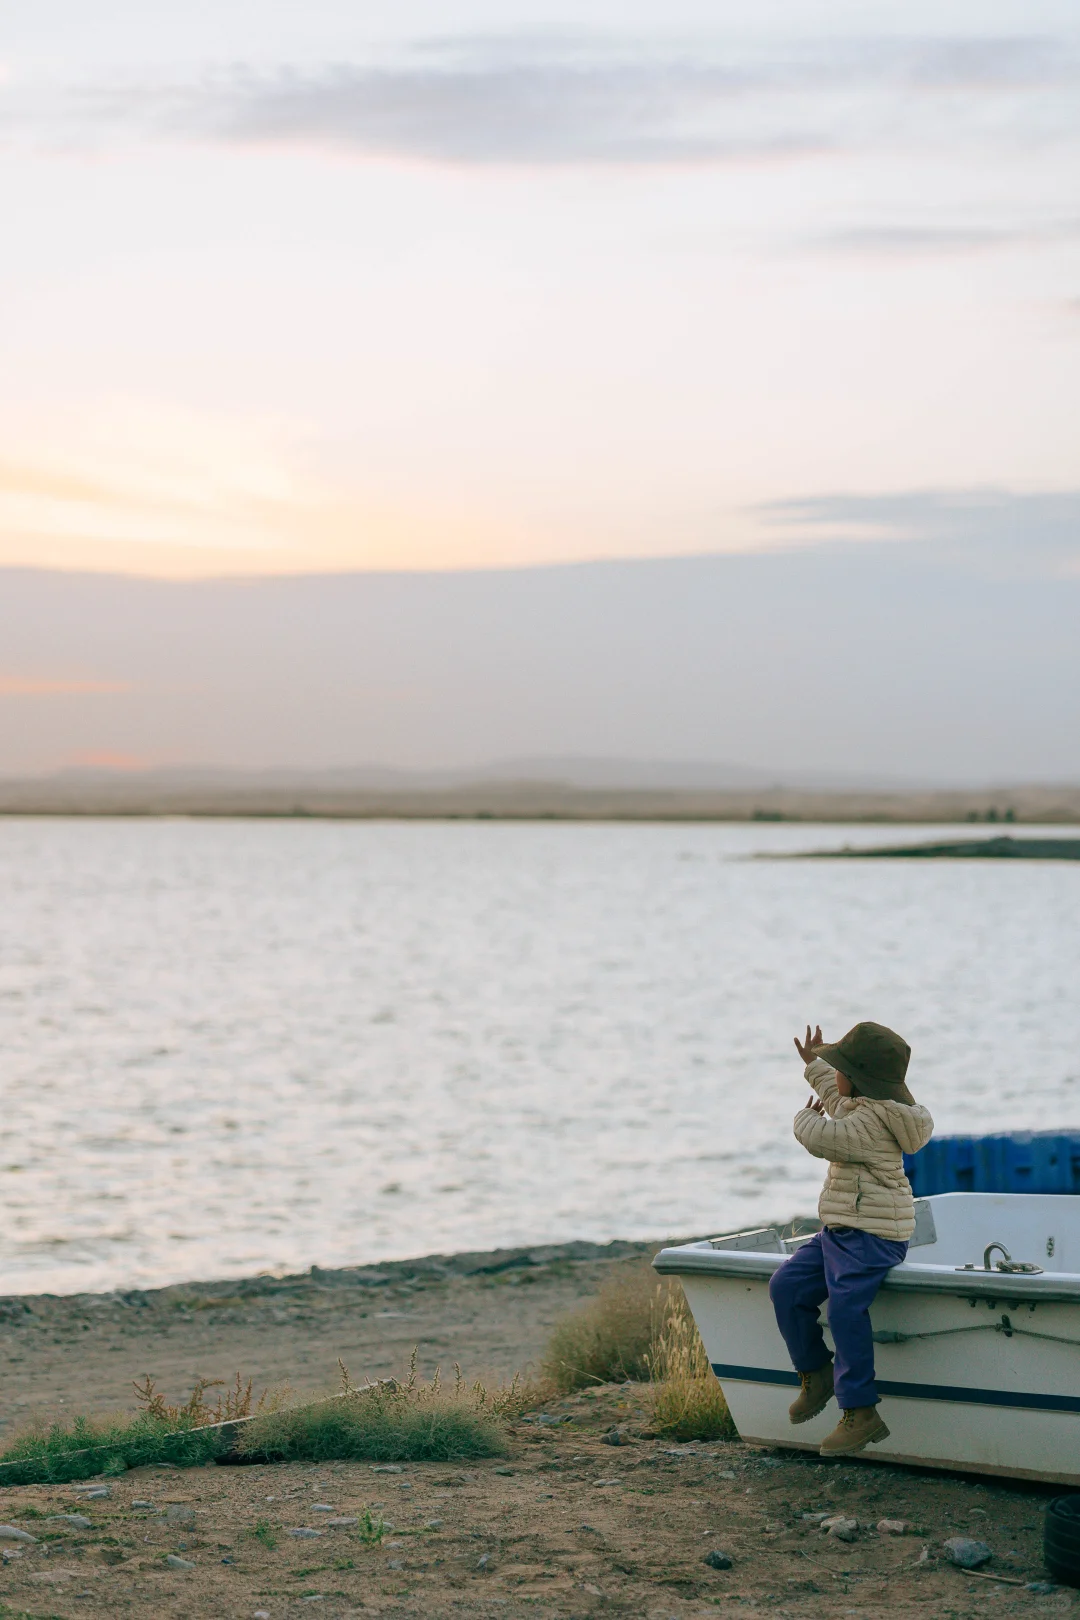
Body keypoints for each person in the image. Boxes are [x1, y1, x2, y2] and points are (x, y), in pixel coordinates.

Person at [768, 1021, 934, 1456]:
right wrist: (814, 1066)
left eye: (840, 1067)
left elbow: (824, 1136)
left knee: (844, 1310)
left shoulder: (870, 1123)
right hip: (843, 1229)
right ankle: (816, 1373)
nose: (835, 1075)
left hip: (873, 1235)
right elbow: (836, 1095)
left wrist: (804, 1117)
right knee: (786, 1286)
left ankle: (861, 1411)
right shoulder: (863, 1102)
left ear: (858, 1078)